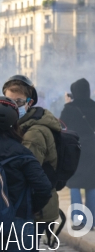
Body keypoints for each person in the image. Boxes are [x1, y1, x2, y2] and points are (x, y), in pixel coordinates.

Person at [0, 97, 52, 251]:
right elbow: (43, 187)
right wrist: (32, 208)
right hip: (18, 220)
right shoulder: (23, 153)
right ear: (14, 122)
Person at [2, 75, 60, 226]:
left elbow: (24, 174)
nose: (14, 106)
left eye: (19, 101)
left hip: (35, 210)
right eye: (9, 101)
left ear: (30, 103)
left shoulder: (33, 134)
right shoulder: (21, 126)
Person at [60, 78, 95, 228]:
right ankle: (92, 220)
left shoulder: (69, 108)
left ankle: (79, 220)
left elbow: (61, 127)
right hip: (93, 150)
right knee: (92, 184)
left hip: (75, 150)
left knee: (74, 183)